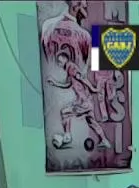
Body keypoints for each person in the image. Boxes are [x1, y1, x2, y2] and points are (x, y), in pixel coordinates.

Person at [40, 0, 111, 151]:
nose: (86, 5)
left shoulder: (47, 26)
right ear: (75, 5)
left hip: (76, 100)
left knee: (65, 113)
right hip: (84, 100)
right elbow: (78, 77)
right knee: (90, 121)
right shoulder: (85, 36)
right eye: (84, 3)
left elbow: (80, 77)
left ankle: (68, 137)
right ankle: (104, 140)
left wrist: (93, 88)